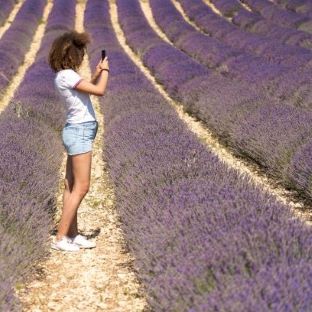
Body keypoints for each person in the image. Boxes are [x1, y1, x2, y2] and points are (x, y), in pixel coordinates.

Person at [48, 30, 109, 251]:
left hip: (77, 130)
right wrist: (106, 71)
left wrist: (95, 73)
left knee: (71, 185)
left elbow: (87, 91)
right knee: (82, 187)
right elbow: (100, 91)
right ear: (72, 55)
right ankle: (61, 238)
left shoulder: (65, 76)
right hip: (79, 131)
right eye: (81, 53)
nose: (83, 57)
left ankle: (72, 235)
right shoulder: (68, 76)